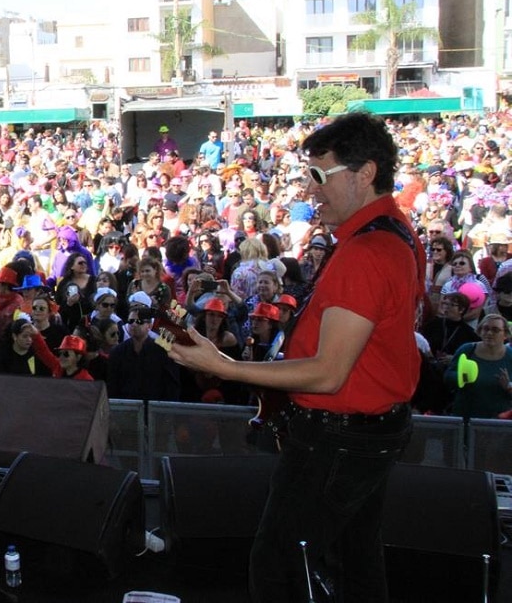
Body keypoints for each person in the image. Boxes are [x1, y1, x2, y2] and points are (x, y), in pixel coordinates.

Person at [170, 111, 422, 602]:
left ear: (365, 173)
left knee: (280, 566)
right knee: (355, 561)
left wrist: (222, 366)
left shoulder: (367, 253)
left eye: (319, 176)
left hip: (340, 437)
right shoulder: (391, 233)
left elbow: (329, 374)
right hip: (369, 432)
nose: (312, 191)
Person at [445, 312, 512, 419]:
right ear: (480, 331)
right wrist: (461, 377)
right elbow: (448, 376)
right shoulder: (467, 350)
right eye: (485, 329)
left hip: (499, 419)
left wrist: (509, 387)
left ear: (505, 335)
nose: (489, 333)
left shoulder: (510, 356)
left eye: (495, 330)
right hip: (466, 415)